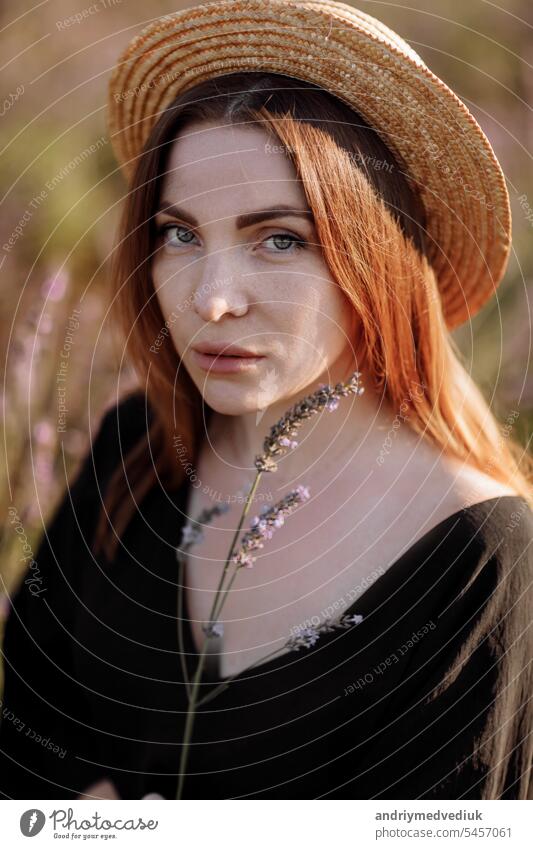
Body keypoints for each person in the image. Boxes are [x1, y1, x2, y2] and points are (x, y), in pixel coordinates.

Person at [1, 0, 532, 801]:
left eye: (279, 238)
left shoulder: (480, 567)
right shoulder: (137, 453)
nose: (211, 300)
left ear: (376, 258)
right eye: (180, 234)